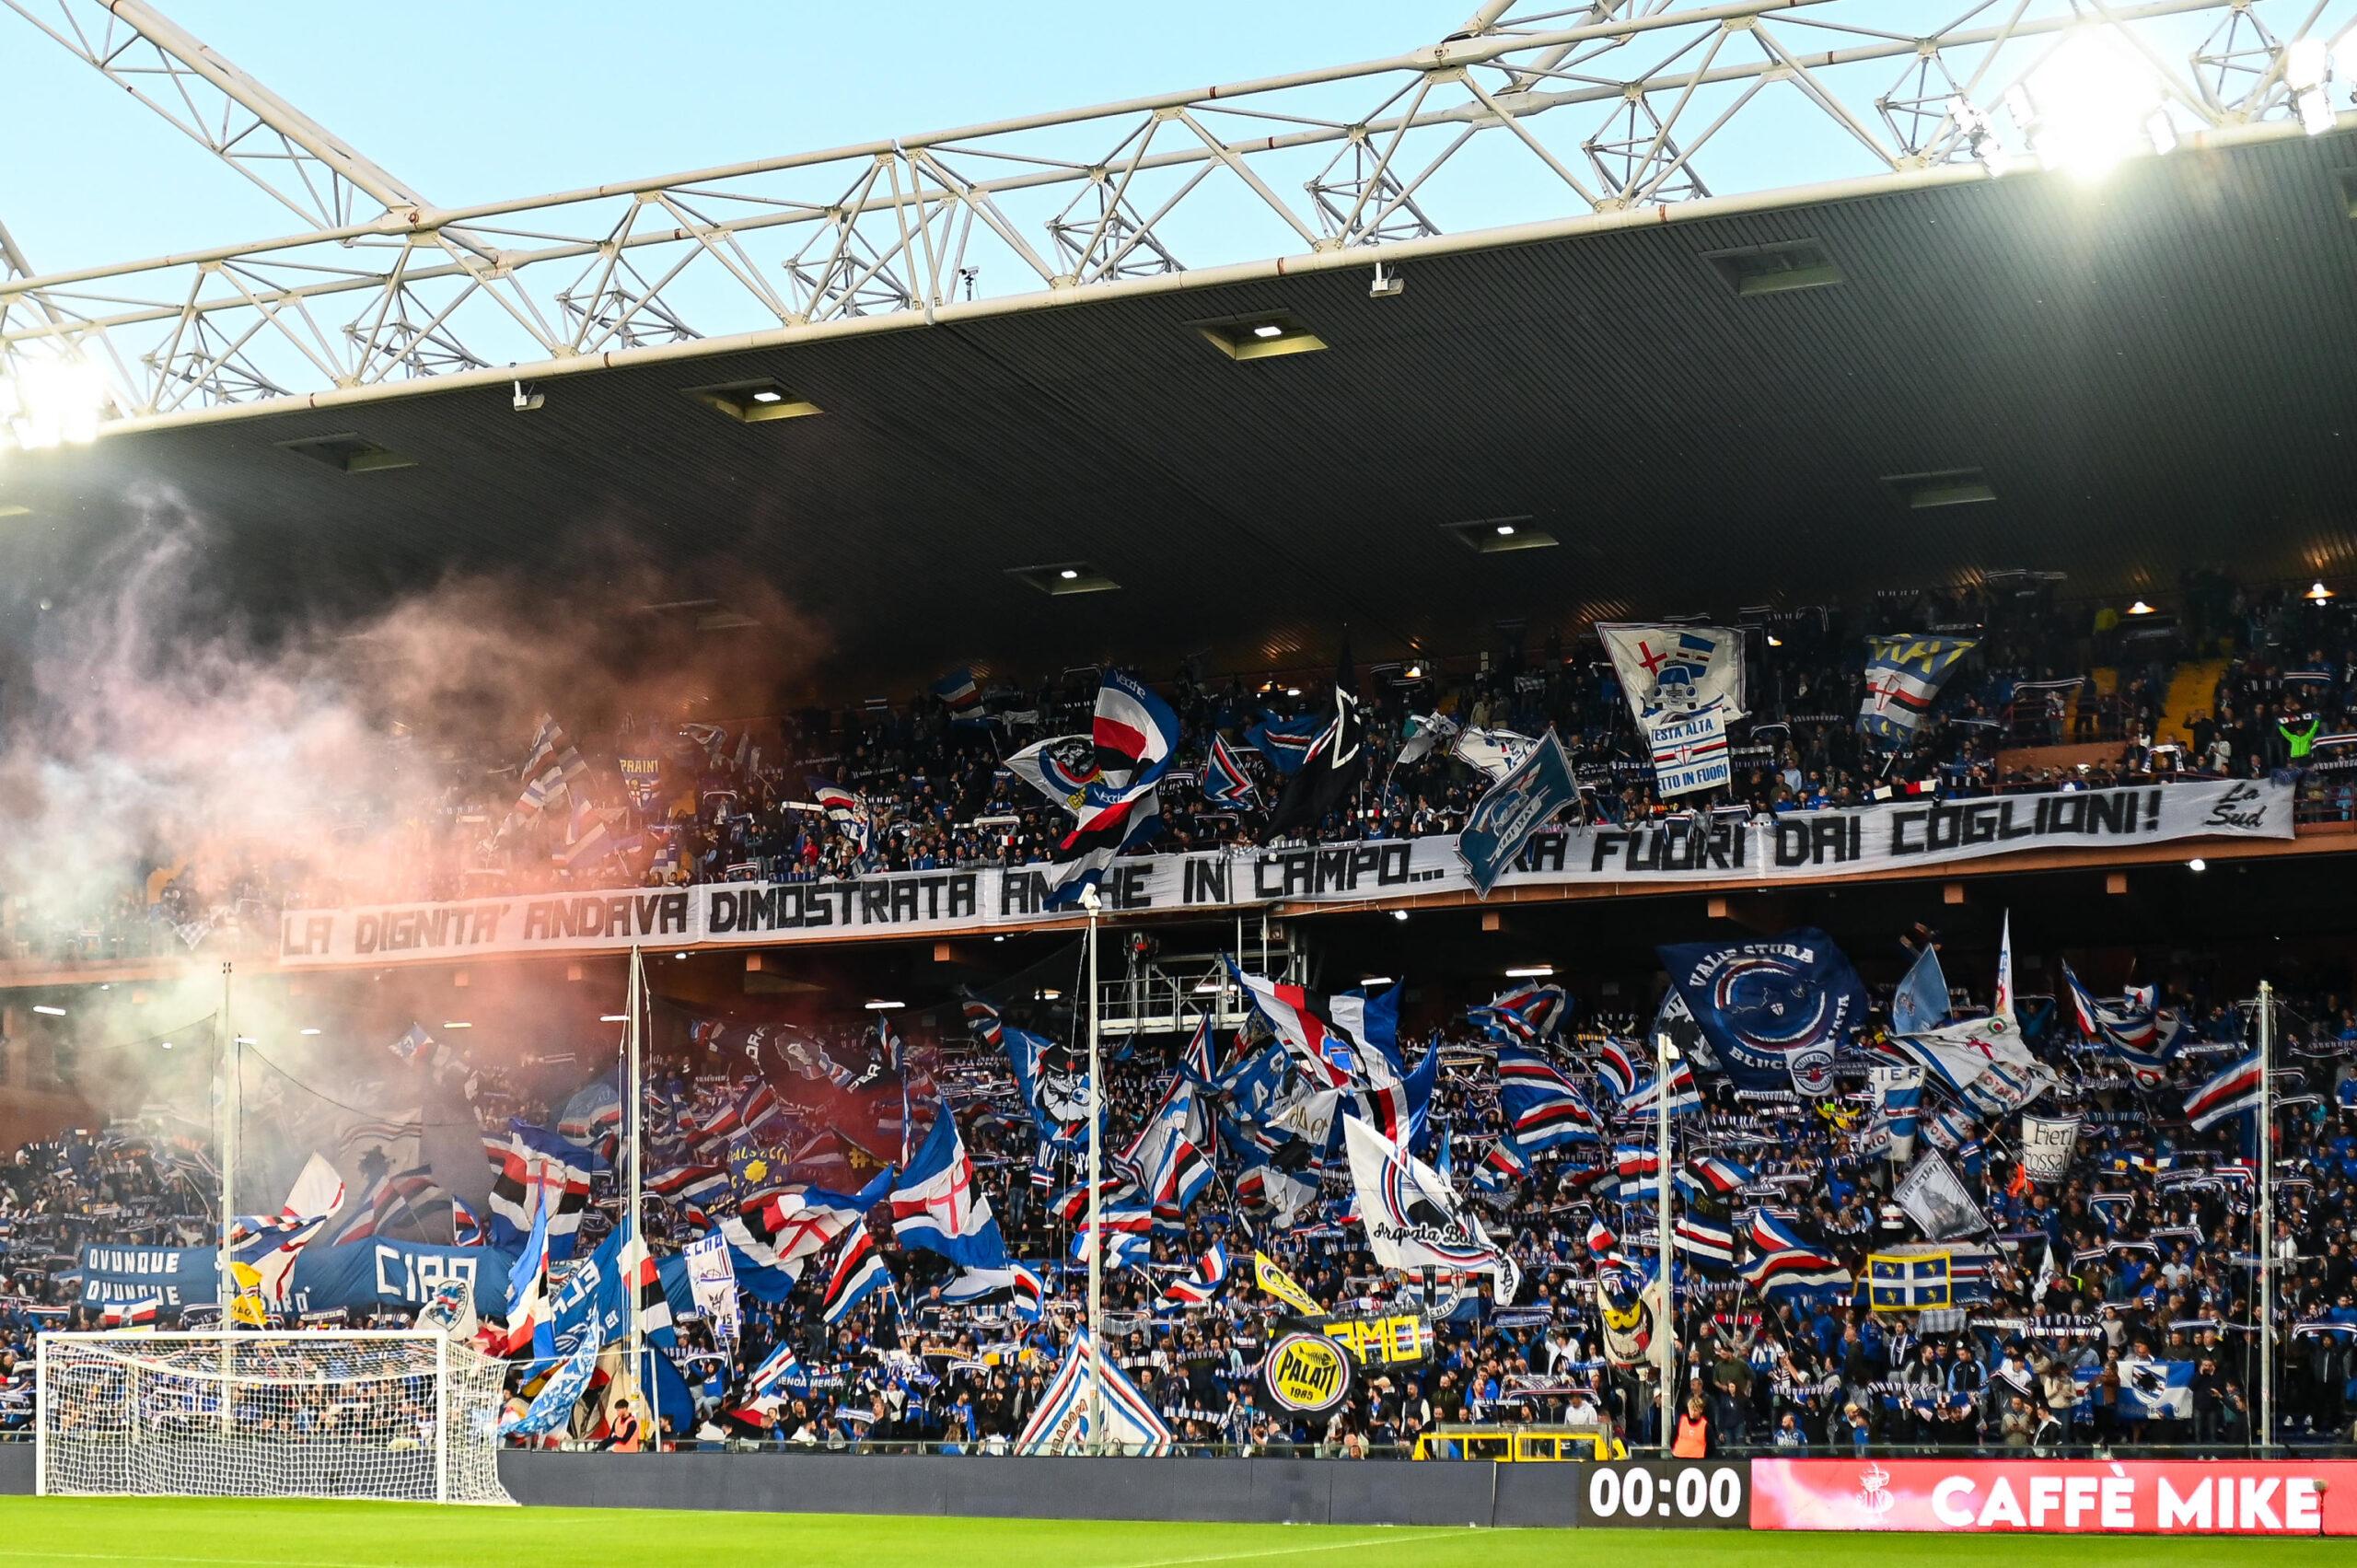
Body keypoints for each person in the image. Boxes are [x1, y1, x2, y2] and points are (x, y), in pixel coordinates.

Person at [1672, 1394, 1711, 1458]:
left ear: (1701, 1410)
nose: (1692, 1412)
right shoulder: (1681, 1422)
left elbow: (1710, 1446)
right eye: (1691, 1409)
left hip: (1697, 1460)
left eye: (1695, 1410)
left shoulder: (1705, 1426)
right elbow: (1673, 1438)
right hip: (1679, 1457)